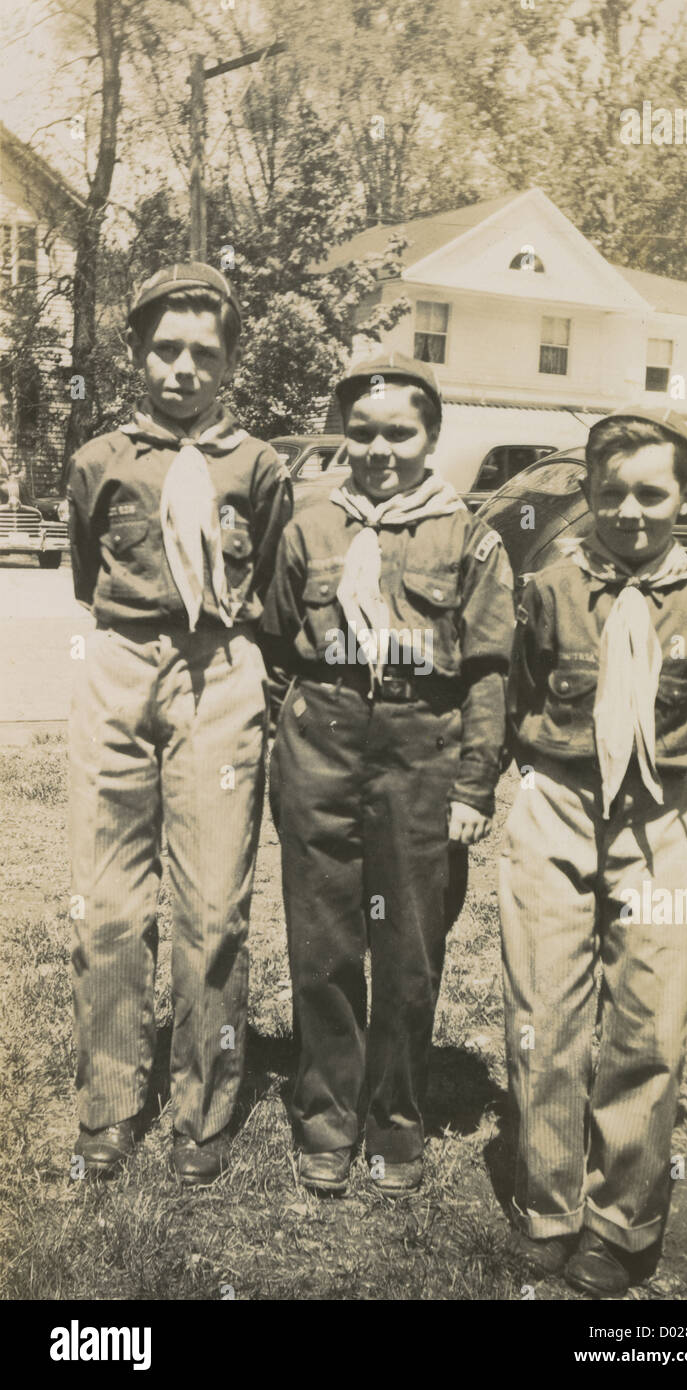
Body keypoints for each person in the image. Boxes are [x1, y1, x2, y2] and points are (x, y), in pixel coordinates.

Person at [500, 405, 687, 1295]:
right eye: (612, 494)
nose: (631, 512)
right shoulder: (547, 588)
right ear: (589, 495)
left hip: (657, 823)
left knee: (647, 1024)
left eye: (651, 493)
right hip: (556, 808)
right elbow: (520, 689)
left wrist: (655, 784)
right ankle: (549, 1205)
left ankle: (620, 1220)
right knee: (545, 1016)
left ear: (682, 494)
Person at [262, 351, 515, 1195]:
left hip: (419, 751)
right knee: (323, 945)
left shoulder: (469, 538)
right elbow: (272, 644)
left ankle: (395, 1121)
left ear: (430, 437)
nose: (379, 449)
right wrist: (289, 733)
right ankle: (327, 1116)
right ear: (344, 435)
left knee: (409, 951)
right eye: (361, 432)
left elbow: (487, 672)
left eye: (398, 433)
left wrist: (475, 786)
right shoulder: (308, 529)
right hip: (320, 747)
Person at [67, 262, 293, 1185]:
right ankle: (110, 1102)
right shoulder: (98, 460)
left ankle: (203, 1105)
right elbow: (87, 573)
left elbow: (272, 572)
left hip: (221, 670)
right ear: (135, 354)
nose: (183, 370)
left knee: (211, 903)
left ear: (230, 363)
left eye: (205, 353)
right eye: (165, 349)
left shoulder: (259, 465)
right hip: (120, 664)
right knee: (109, 907)